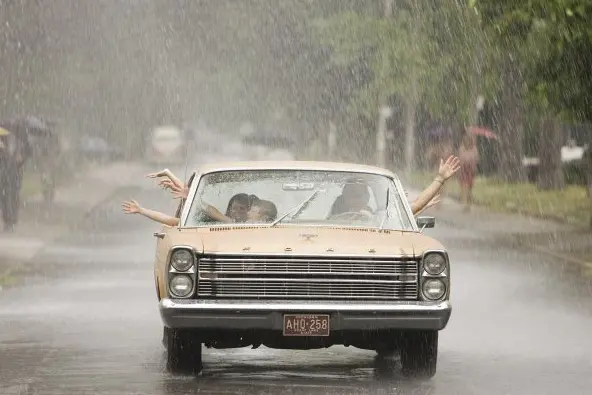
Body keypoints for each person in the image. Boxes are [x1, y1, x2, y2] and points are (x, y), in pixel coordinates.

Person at [0, 124, 31, 232]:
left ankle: (12, 219)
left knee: (13, 195)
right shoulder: (2, 137)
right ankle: (7, 219)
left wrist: (22, 157)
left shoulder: (22, 139)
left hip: (16, 172)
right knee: (3, 196)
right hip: (3, 171)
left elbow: (28, 151)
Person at [458, 133, 479, 212]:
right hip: (463, 170)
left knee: (469, 188)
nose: (467, 142)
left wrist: (472, 164)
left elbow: (476, 159)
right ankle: (465, 203)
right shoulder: (462, 149)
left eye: (469, 141)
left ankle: (468, 203)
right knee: (464, 187)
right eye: (466, 141)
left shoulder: (474, 149)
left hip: (471, 170)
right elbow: (460, 158)